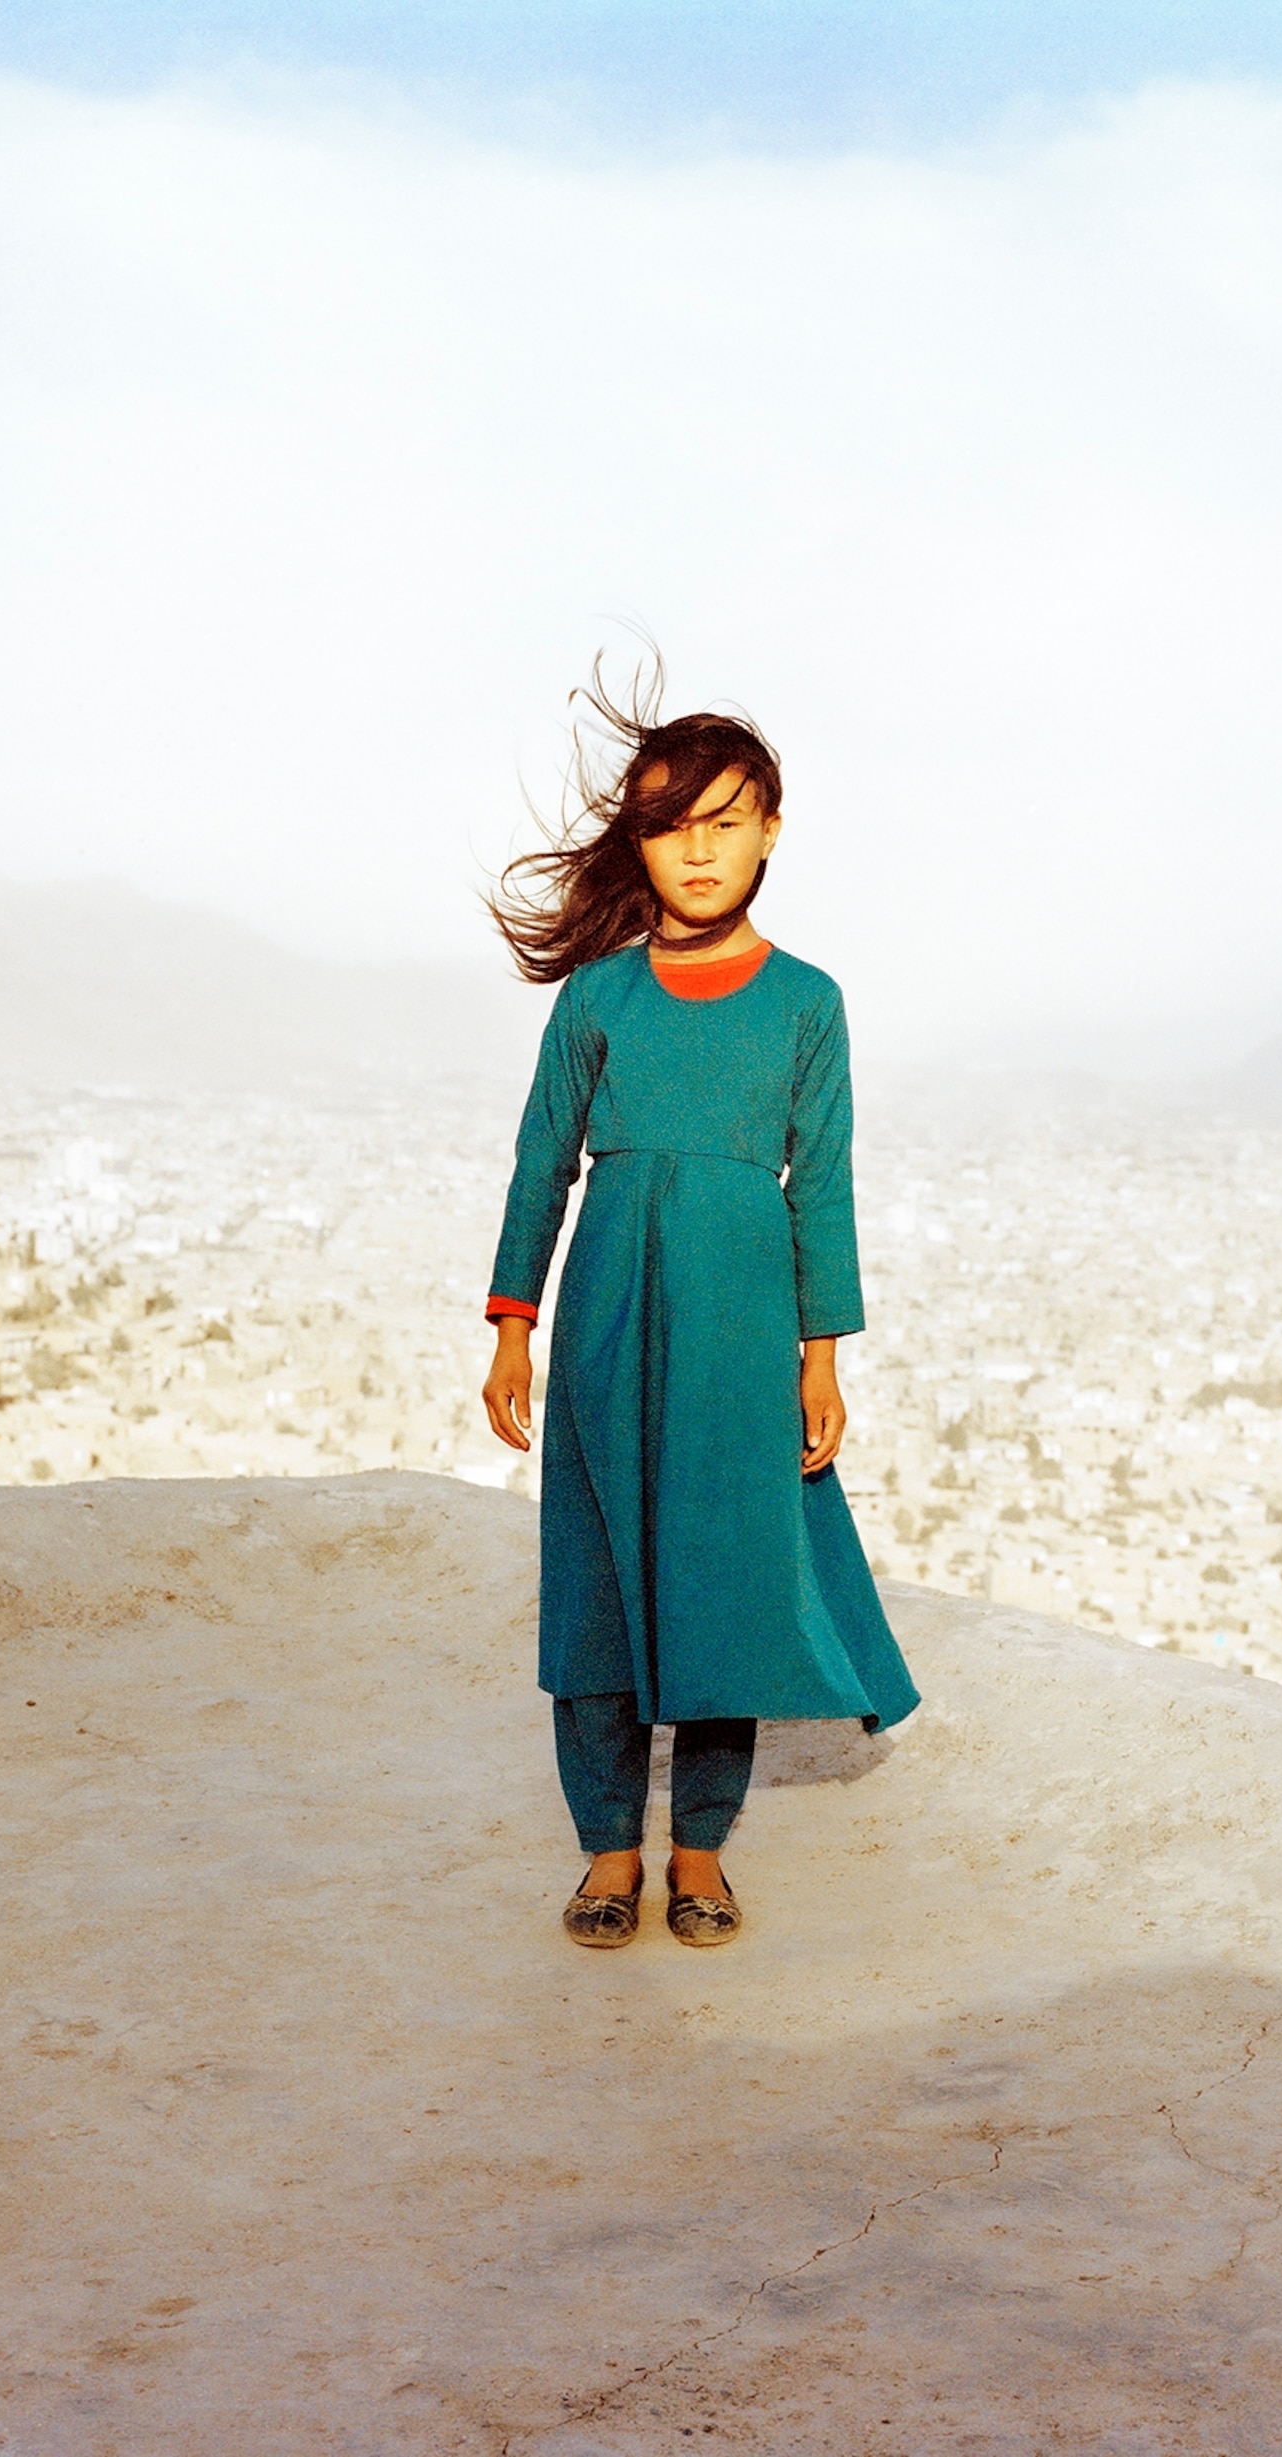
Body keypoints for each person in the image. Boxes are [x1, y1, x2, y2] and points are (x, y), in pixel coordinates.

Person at [480, 664, 920, 1950]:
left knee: (726, 1582)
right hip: (605, 1316)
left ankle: (700, 1853)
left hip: (741, 1325)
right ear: (643, 843)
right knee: (598, 1585)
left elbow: (823, 1187)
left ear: (773, 828)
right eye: (675, 826)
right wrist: (514, 1326)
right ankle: (608, 1850)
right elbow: (540, 1160)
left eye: (728, 820)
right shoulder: (598, 998)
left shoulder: (807, 1004)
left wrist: (820, 1359)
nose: (702, 850)